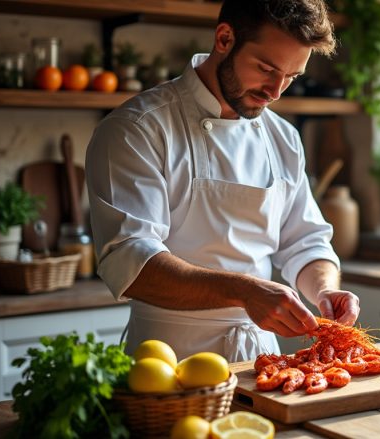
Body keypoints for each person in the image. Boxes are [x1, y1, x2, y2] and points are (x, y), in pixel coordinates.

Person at [85, 0, 360, 362]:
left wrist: (324, 290)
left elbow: (304, 240)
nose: (276, 91)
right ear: (225, 38)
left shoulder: (283, 137)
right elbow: (131, 263)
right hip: (165, 359)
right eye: (266, 68)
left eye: (291, 77)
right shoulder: (138, 129)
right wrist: (245, 292)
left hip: (260, 356)